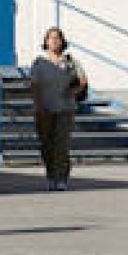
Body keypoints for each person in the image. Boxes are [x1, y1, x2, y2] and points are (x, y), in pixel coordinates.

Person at [30, 27, 87, 191]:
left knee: (61, 144)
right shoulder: (39, 63)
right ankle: (50, 175)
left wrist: (73, 91)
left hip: (65, 108)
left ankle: (61, 178)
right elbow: (34, 86)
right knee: (47, 144)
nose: (54, 41)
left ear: (62, 41)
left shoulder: (70, 61)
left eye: (57, 38)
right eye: (50, 38)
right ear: (45, 42)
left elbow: (83, 81)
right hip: (44, 109)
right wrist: (38, 105)